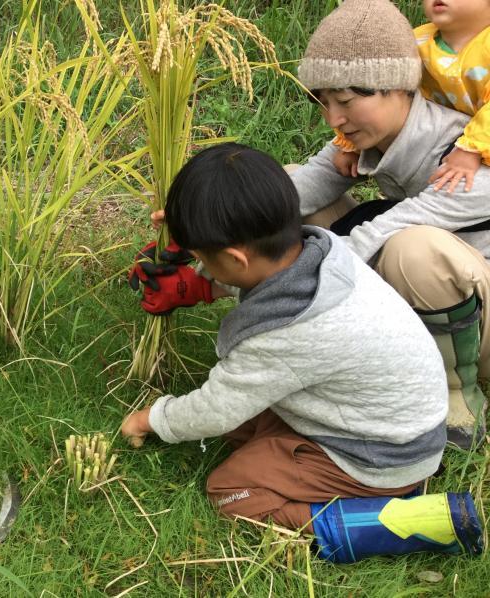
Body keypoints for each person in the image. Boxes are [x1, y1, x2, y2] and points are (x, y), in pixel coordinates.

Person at [123, 142, 483, 563]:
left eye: (201, 258)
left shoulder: (287, 334)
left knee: (232, 490)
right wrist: (197, 240)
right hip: (397, 422)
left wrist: (153, 418)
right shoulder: (322, 252)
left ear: (236, 257)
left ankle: (388, 520)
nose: (196, 263)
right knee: (244, 426)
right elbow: (255, 274)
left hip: (380, 456)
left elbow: (214, 410)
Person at [290, 0, 490, 449]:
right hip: (438, 298)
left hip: (485, 318)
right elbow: (293, 192)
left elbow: (392, 227)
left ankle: (457, 397)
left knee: (412, 247)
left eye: (345, 101)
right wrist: (205, 230)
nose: (334, 119)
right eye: (324, 103)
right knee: (287, 191)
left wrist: (298, 275)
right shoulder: (364, 135)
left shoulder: (467, 154)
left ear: (398, 86)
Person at [330, 0, 490, 194]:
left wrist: (471, 150)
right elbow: (380, 95)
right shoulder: (415, 41)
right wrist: (351, 145)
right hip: (433, 146)